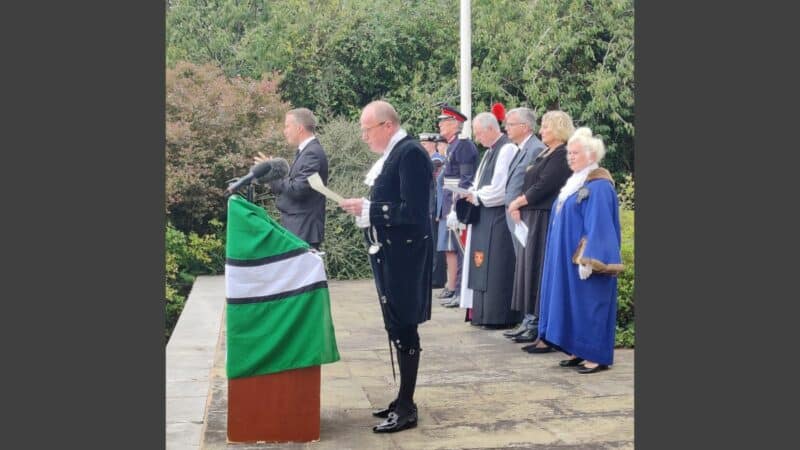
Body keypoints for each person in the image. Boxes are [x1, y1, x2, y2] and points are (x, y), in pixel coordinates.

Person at [339, 100, 433, 432]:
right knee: (396, 323)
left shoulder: (410, 154)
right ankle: (401, 398)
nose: (364, 137)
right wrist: (366, 208)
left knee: (405, 324)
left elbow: (414, 212)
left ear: (387, 126)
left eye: (367, 130)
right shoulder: (394, 154)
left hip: (406, 255)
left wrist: (369, 209)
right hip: (392, 253)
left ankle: (407, 406)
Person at [536, 127, 624, 374]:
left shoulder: (599, 186)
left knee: (589, 303)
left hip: (582, 260)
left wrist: (590, 259)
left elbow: (600, 225)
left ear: (591, 155)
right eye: (569, 154)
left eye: (575, 153)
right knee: (571, 302)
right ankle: (577, 349)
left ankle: (595, 355)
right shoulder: (575, 183)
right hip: (564, 258)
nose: (570, 157)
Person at [505, 111, 574, 348]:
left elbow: (544, 185)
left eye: (546, 127)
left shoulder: (562, 154)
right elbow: (530, 182)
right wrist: (519, 206)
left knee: (537, 268)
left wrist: (518, 202)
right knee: (527, 269)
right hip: (531, 215)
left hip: (543, 217)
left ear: (558, 129)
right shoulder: (546, 152)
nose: (542, 130)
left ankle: (537, 323)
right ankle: (530, 320)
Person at [456, 112, 519, 328]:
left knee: (494, 265)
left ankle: (497, 316)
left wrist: (476, 195)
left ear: (491, 129)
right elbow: (481, 182)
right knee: (481, 263)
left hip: (497, 216)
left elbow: (501, 188)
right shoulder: (490, 151)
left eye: (479, 132)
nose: (477, 137)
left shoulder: (507, 149)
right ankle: (482, 314)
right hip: (483, 213)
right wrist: (469, 192)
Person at [500, 107, 546, 341]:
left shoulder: (536, 148)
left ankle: (532, 321)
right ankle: (526, 319)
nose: (506, 128)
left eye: (511, 124)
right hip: (515, 216)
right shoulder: (522, 149)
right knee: (522, 267)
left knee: (529, 267)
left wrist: (520, 206)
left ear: (525, 127)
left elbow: (535, 185)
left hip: (525, 216)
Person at [254, 108, 329, 249]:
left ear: (299, 128)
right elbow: (283, 188)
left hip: (303, 229)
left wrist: (272, 171)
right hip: (297, 227)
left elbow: (298, 189)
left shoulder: (312, 153)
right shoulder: (304, 152)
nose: (284, 131)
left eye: (287, 126)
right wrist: (272, 172)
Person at [435, 104, 479, 307]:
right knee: (452, 249)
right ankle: (456, 290)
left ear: (455, 124)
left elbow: (466, 178)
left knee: (459, 250)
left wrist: (455, 207)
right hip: (449, 200)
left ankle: (460, 291)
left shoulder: (463, 145)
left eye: (444, 122)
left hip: (457, 202)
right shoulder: (453, 145)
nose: (440, 125)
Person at [420, 132, 447, 289]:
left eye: (425, 144)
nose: (422, 147)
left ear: (433, 145)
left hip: (434, 206)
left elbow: (435, 188)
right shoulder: (430, 160)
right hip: (430, 205)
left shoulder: (436, 161)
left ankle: (437, 278)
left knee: (436, 243)